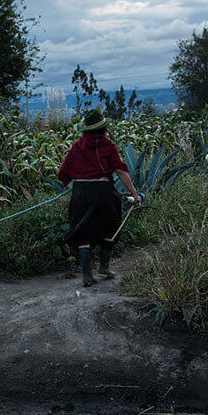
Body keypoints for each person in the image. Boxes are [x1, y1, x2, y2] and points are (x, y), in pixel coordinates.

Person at [57, 110, 141, 287]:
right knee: (109, 226)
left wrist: (69, 183)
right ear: (103, 128)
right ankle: (103, 268)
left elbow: (64, 172)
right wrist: (133, 192)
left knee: (82, 230)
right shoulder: (108, 146)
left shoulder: (77, 146)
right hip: (103, 192)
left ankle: (87, 276)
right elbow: (120, 170)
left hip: (81, 193)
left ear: (86, 130)